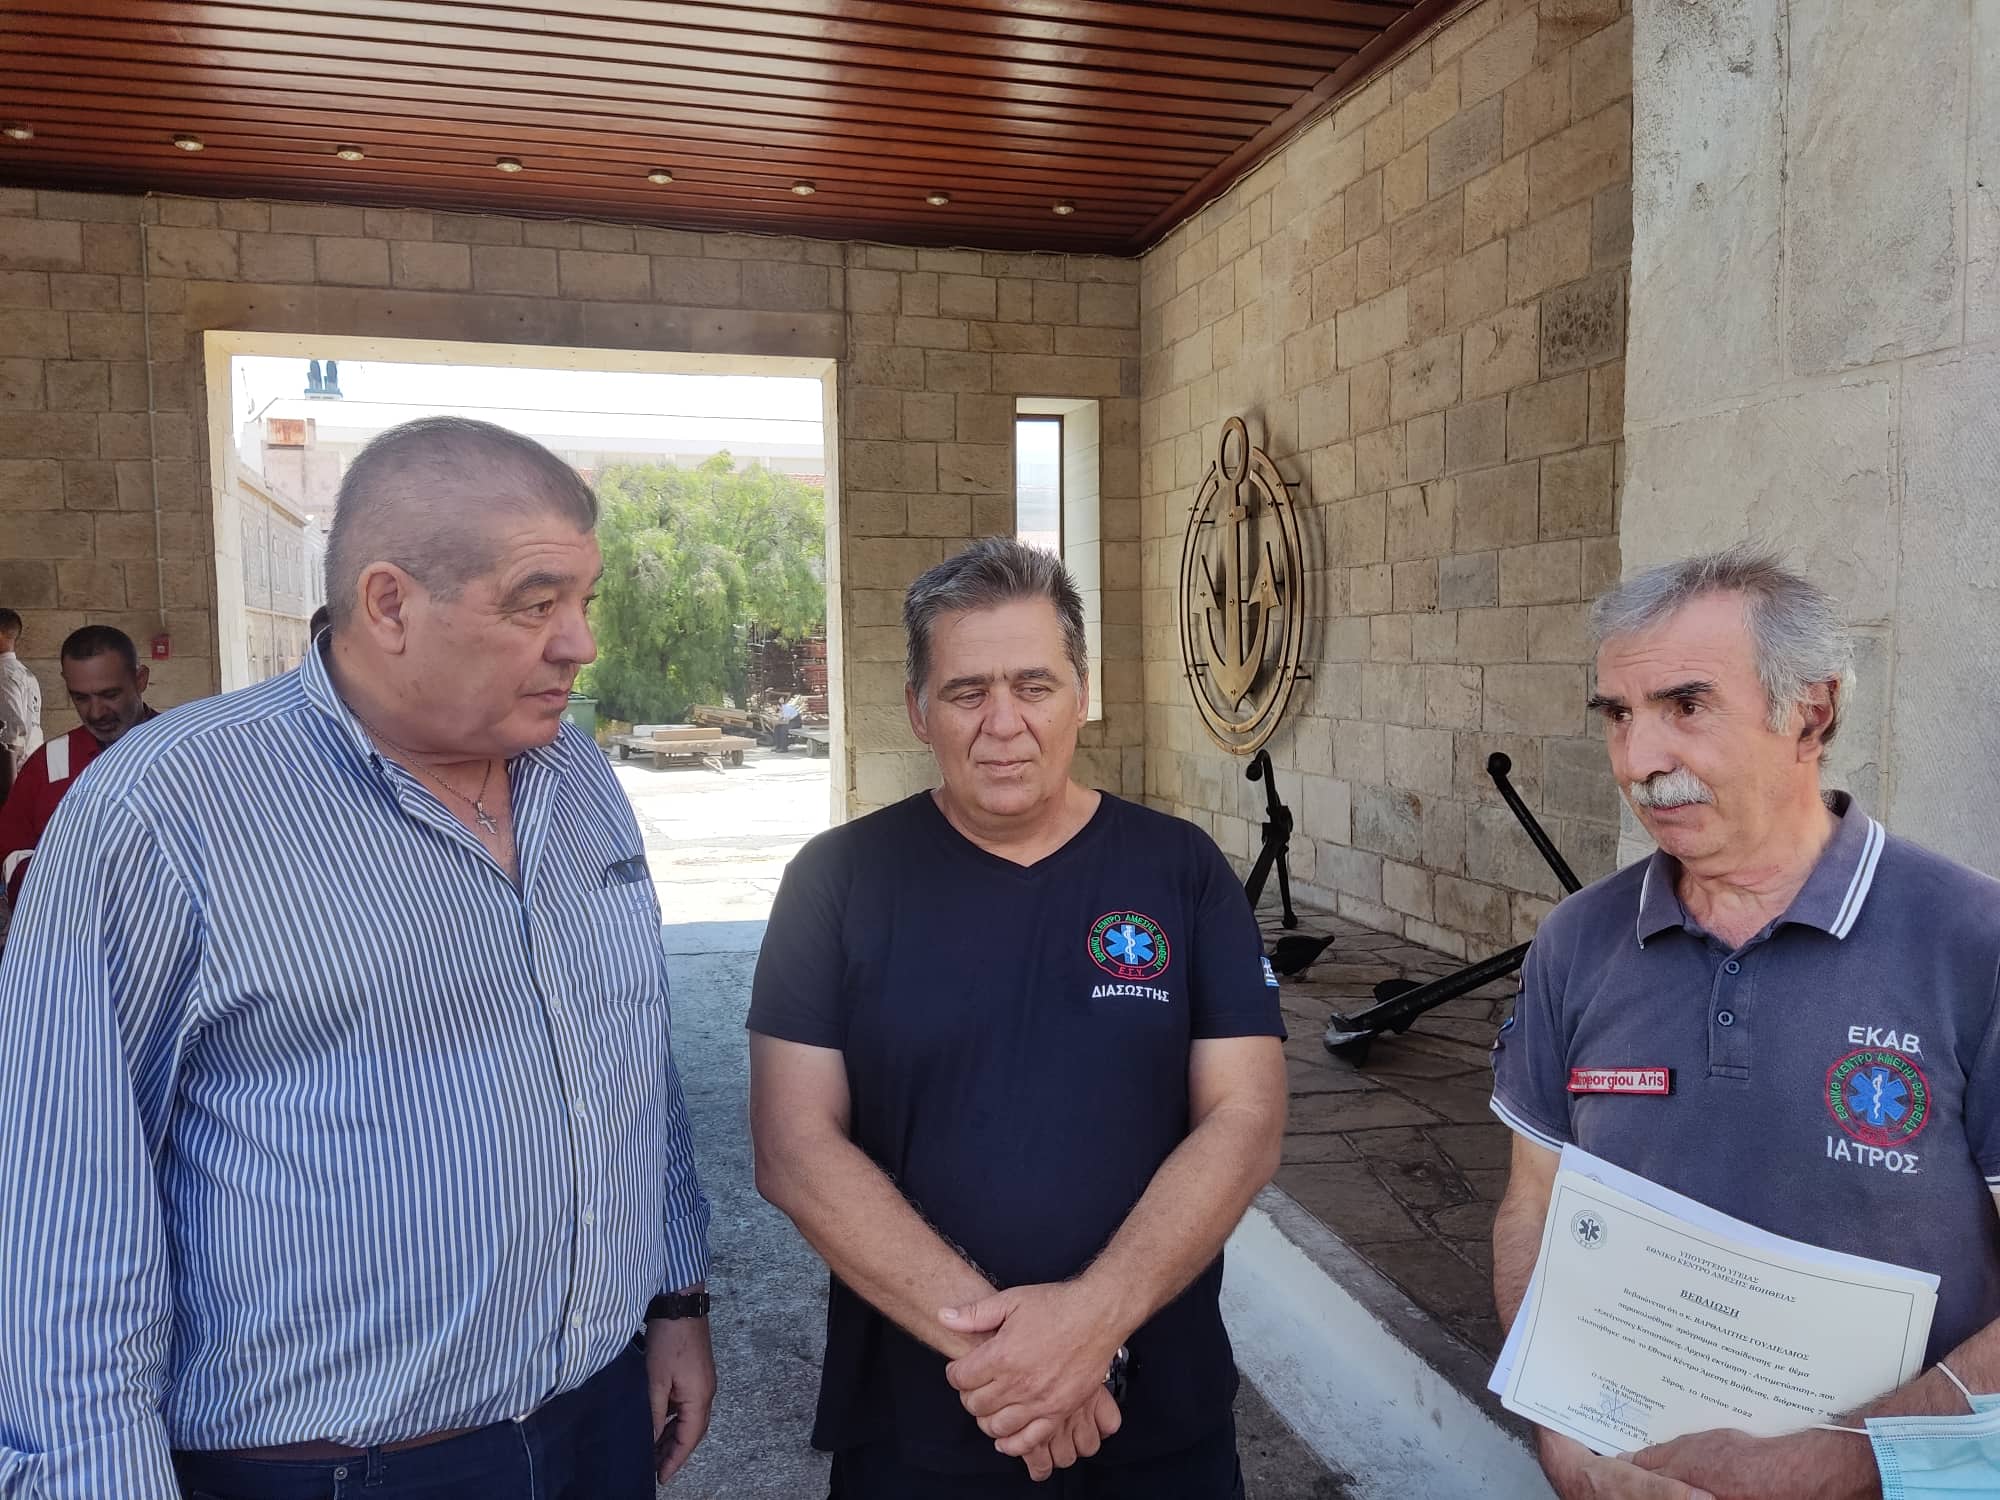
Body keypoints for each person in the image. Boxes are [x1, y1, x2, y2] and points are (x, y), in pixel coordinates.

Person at [0, 417, 715, 1500]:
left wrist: (674, 1299)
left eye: (586, 600)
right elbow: (64, 1201)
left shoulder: (578, 780)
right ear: (389, 604)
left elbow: (631, 1055)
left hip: (595, 1421)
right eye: (536, 604)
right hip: (332, 1470)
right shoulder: (164, 812)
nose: (580, 642)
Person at [749, 538, 1287, 1499]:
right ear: (918, 709)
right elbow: (794, 1148)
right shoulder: (837, 881)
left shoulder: (1181, 871)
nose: (1004, 723)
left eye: (1034, 686)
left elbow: (1245, 1120)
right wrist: (1016, 1359)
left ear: (1081, 694)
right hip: (922, 1419)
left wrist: (1092, 1322)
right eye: (967, 692)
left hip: (1157, 1412)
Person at [1488, 545, 2000, 1500]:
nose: (1639, 762)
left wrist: (1835, 1463)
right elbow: (1533, 1203)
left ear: (1811, 713)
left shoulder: (1974, 942)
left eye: (1686, 706)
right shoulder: (1577, 941)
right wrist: (1554, 1420)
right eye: (1618, 715)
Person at [0, 624, 152, 907]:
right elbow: (12, 851)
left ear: (140, 679)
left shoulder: (182, 753)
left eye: (110, 695)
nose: (96, 712)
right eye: (80, 698)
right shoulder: (47, 764)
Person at [0, 607, 43, 804]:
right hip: (30, 765)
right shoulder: (25, 673)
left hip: (12, 774)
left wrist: (9, 795)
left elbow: (12, 732)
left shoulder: (4, 673)